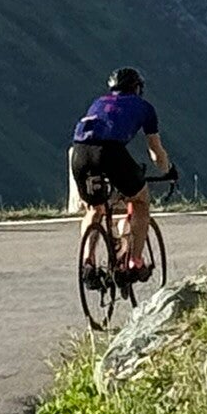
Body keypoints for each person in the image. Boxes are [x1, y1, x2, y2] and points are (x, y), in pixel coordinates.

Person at [69, 66, 176, 275]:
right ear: (137, 88)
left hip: (80, 152)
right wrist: (167, 170)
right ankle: (135, 262)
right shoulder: (144, 107)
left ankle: (88, 263)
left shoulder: (98, 102)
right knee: (140, 201)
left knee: (94, 208)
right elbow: (155, 150)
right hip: (110, 152)